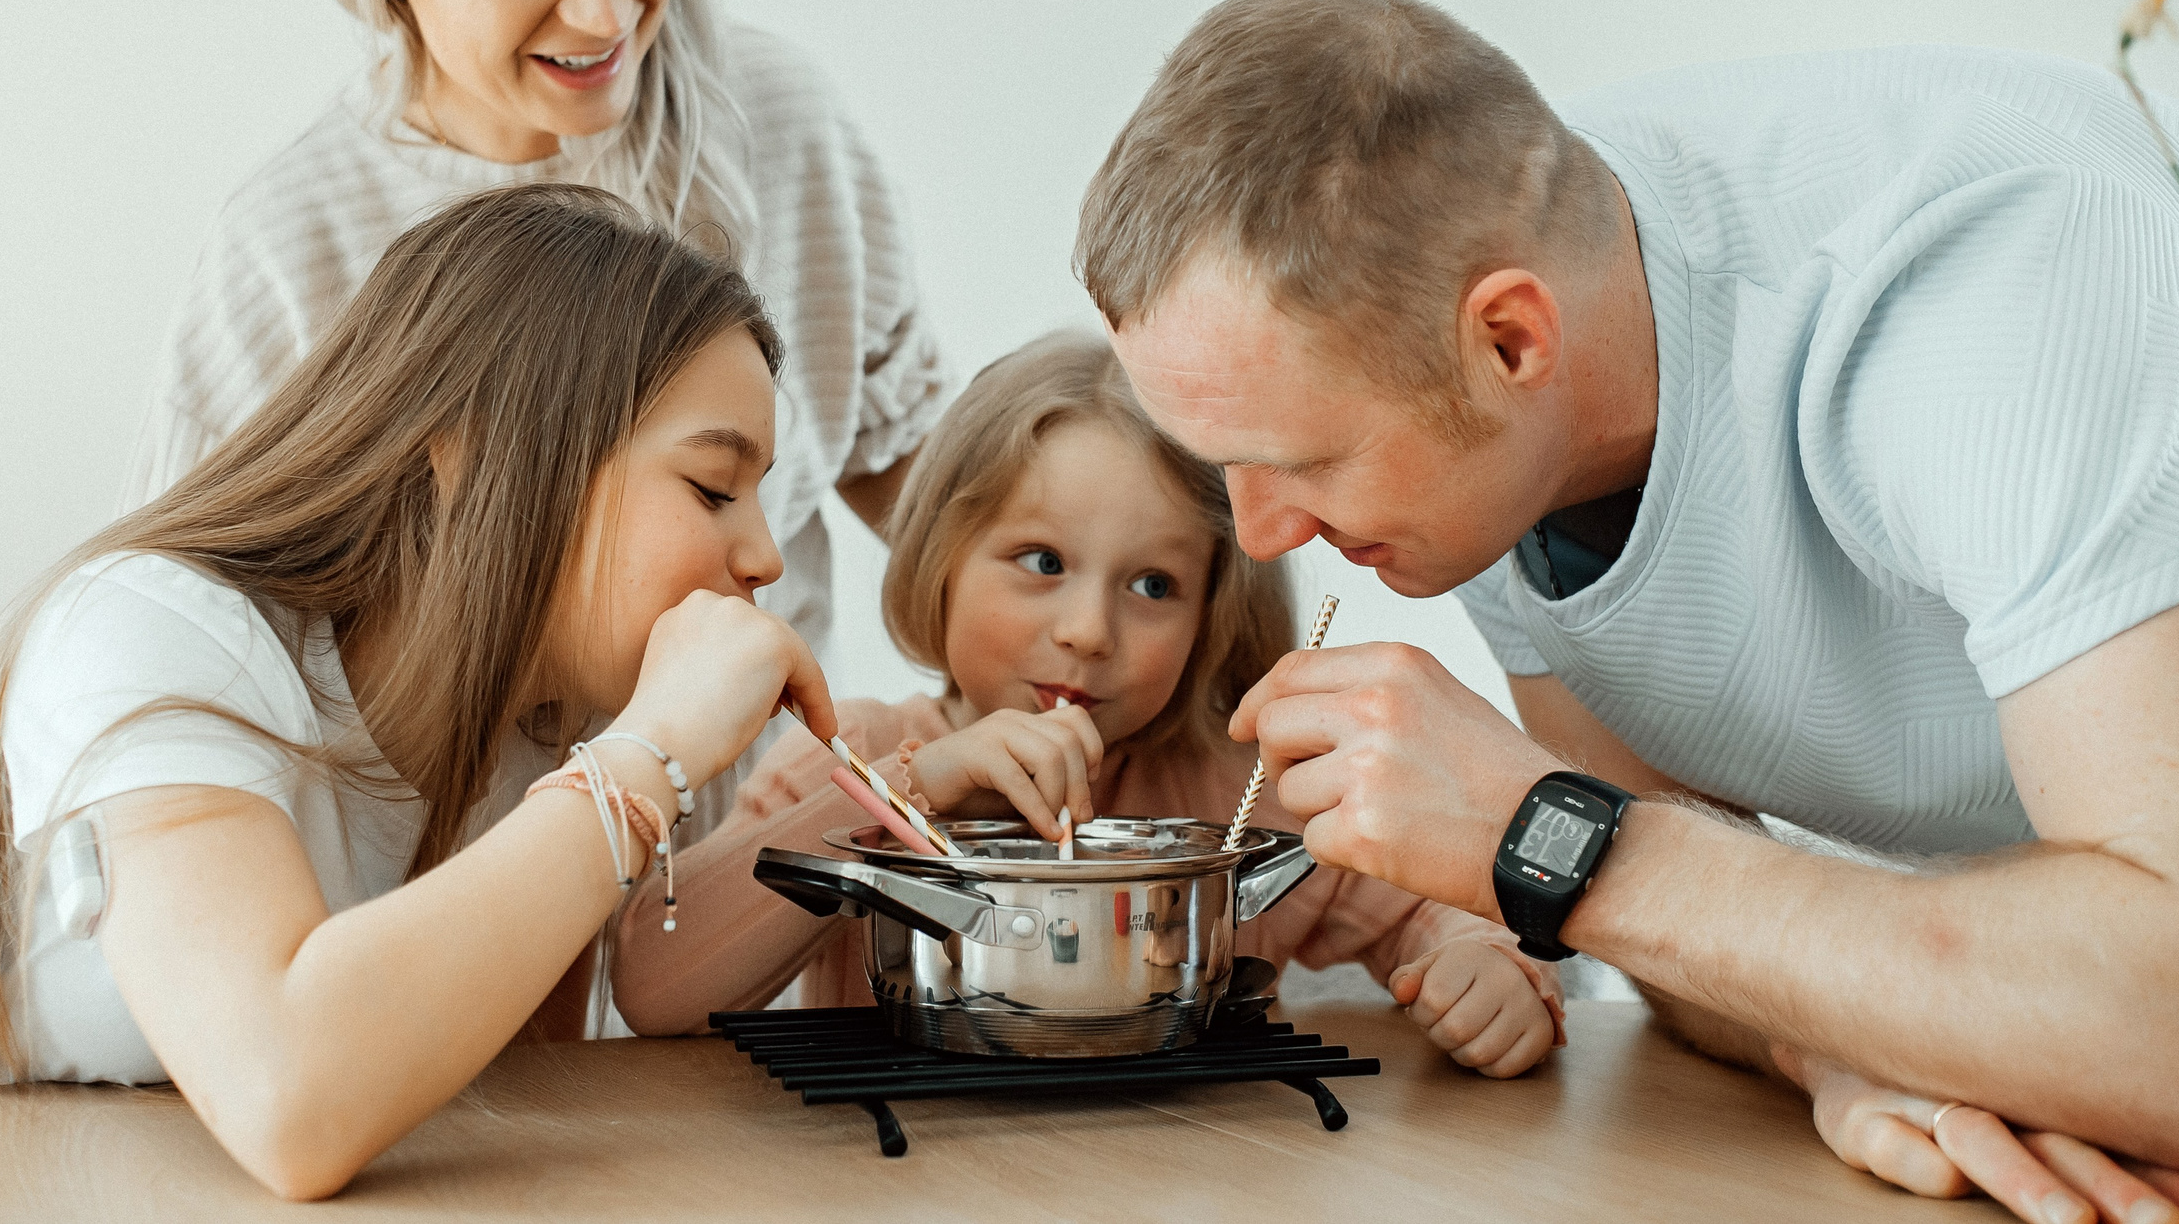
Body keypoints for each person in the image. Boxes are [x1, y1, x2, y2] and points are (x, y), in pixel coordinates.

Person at [1074, 0, 2179, 1222]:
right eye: (1222, 465)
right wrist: (1845, 1048)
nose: (1261, 534)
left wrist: (1547, 831)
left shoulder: (1977, 303)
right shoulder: (1492, 418)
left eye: (1299, 460)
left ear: (1511, 341)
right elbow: (1688, 925)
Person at [0, 187, 838, 1198]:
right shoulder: (153, 624)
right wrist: (651, 749)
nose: (760, 556)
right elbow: (289, 1095)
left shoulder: (543, 728)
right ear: (474, 451)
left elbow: (511, 1091)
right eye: (711, 487)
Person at [127, 0, 940, 760]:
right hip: (451, 907)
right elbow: (168, 637)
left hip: (756, 864)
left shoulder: (777, 127)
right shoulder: (294, 246)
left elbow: (929, 488)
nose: (604, 10)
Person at [611, 333, 1564, 1077]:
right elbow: (657, 987)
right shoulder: (853, 754)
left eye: (1152, 585)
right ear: (940, 562)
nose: (1087, 631)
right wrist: (909, 791)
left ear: (1212, 615)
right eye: (1043, 563)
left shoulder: (1253, 796)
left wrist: (1486, 969)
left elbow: (1442, 912)